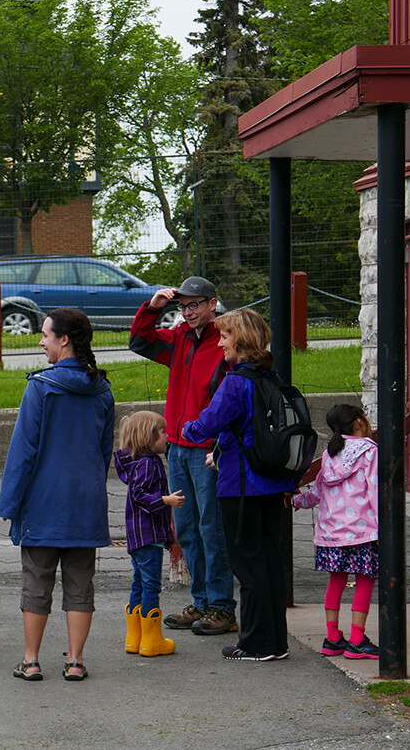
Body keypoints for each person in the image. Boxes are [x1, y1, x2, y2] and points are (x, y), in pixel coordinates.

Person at [0, 308, 114, 683]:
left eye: (45, 334)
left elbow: (23, 450)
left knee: (37, 579)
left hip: (43, 501)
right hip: (86, 502)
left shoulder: (41, 386)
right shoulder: (103, 389)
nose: (41, 340)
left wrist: (10, 502)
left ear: (64, 339)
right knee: (81, 583)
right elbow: (103, 450)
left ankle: (31, 660)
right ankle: (76, 661)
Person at [182, 309, 296, 662]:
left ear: (241, 341)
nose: (221, 343)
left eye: (225, 337)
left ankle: (256, 643)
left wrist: (186, 430)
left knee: (248, 566)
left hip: (241, 486)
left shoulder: (236, 381)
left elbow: (208, 423)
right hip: (272, 483)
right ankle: (275, 640)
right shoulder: (271, 377)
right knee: (269, 563)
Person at [129, 276, 237, 636]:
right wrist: (153, 307)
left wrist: (219, 443)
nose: (188, 312)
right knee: (187, 529)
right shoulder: (178, 340)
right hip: (177, 447)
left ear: (212, 303)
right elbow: (139, 341)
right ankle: (202, 601)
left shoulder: (222, 343)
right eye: (183, 306)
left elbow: (230, 400)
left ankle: (221, 606)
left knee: (211, 528)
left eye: (195, 304)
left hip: (205, 449)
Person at [291, 404, 380, 660]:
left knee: (336, 580)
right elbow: (374, 490)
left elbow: (318, 492)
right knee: (364, 580)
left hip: (331, 534)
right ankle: (357, 639)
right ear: (360, 422)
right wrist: (383, 525)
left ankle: (332, 638)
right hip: (363, 532)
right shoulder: (369, 451)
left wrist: (296, 501)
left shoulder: (331, 454)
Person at [114, 411, 184, 658]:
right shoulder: (148, 464)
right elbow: (139, 495)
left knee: (139, 583)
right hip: (148, 535)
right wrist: (166, 500)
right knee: (151, 584)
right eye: (162, 432)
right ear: (147, 436)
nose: (166, 436)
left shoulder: (139, 463)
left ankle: (135, 638)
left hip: (139, 536)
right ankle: (151, 640)